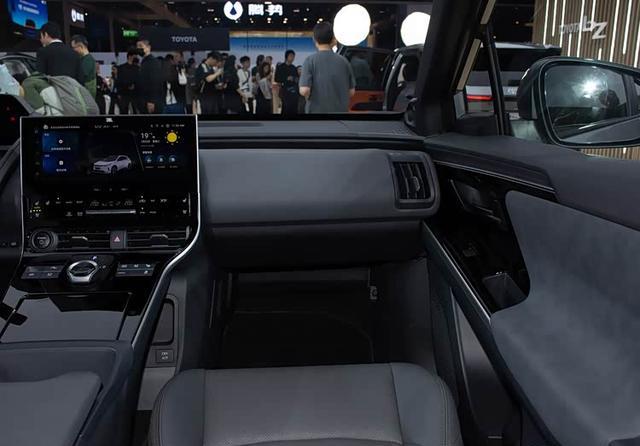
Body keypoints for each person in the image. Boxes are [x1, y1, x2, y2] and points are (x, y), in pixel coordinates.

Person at [299, 22, 356, 114]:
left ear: (314, 39)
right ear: (333, 39)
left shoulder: (310, 61)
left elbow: (304, 90)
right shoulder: (344, 61)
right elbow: (351, 92)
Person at [135, 38, 164, 114]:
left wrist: (151, 101)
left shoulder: (153, 62)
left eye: (140, 46)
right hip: (144, 101)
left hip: (151, 102)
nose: (138, 48)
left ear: (148, 48)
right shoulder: (144, 62)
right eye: (137, 46)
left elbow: (155, 81)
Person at [275, 49, 299, 116]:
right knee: (286, 108)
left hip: (294, 92)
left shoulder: (294, 67)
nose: (292, 58)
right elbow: (276, 79)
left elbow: (297, 79)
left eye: (293, 56)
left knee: (294, 108)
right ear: (286, 56)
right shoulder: (280, 67)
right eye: (291, 56)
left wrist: (293, 79)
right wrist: (286, 78)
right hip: (285, 91)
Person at [116, 49, 139, 114]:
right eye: (135, 56)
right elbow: (119, 81)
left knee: (136, 111)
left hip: (135, 93)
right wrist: (119, 93)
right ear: (130, 56)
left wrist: (134, 85)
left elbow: (138, 80)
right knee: (123, 112)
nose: (136, 57)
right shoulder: (121, 68)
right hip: (124, 93)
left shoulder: (137, 68)